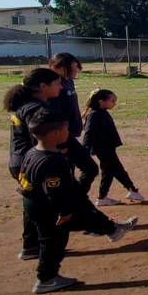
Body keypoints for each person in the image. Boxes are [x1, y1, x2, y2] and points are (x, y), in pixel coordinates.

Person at [19, 108, 137, 294]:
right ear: (56, 133)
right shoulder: (53, 161)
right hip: (51, 208)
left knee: (52, 238)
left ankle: (111, 229)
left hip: (32, 203)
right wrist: (64, 212)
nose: (70, 133)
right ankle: (46, 279)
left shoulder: (32, 153)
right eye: (67, 129)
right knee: (54, 243)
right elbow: (54, 192)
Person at [5, 67, 65, 260]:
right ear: (42, 86)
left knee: (34, 201)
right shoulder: (34, 108)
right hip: (31, 163)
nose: (61, 87)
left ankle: (31, 245)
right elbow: (39, 136)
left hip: (22, 162)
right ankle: (43, 249)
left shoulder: (28, 104)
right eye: (57, 83)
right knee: (43, 206)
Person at [81, 89, 145, 206]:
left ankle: (102, 197)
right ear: (101, 101)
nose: (114, 103)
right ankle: (132, 189)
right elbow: (89, 134)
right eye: (112, 101)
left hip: (108, 147)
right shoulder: (94, 114)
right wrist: (85, 151)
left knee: (108, 172)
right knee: (118, 170)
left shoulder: (102, 112)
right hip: (103, 149)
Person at [47, 53, 98, 194]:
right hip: (60, 138)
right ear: (60, 67)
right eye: (74, 68)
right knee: (85, 169)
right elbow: (52, 113)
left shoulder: (68, 81)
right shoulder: (52, 84)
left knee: (78, 171)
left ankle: (75, 202)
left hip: (70, 134)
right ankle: (75, 203)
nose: (76, 71)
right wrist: (59, 142)